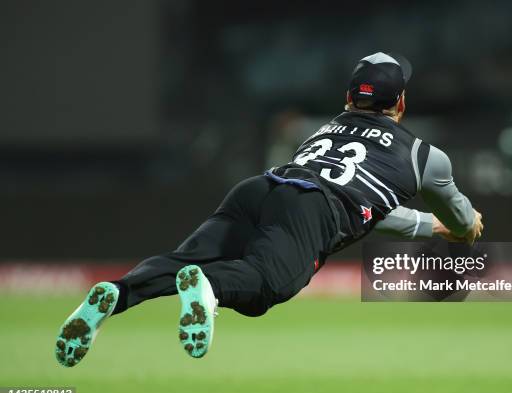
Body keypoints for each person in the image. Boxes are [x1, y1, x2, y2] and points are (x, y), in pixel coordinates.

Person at [55, 52, 483, 367]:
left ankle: (118, 293)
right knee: (266, 288)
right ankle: (209, 287)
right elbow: (461, 219)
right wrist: (459, 228)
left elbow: (373, 206)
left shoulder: (327, 127)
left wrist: (429, 227)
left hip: (261, 188)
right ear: (402, 103)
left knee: (183, 260)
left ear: (348, 98)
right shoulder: (425, 156)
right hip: (313, 210)